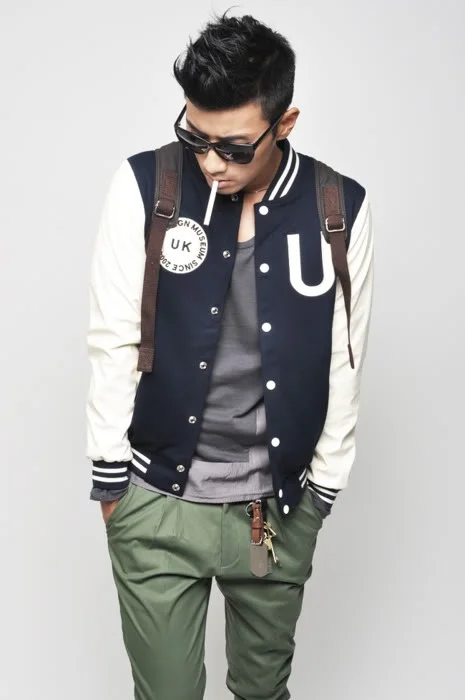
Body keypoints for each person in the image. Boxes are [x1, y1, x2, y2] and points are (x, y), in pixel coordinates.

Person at [85, 11, 374, 700]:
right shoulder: (146, 186)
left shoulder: (337, 207)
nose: (211, 162)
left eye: (235, 146)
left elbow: (345, 357)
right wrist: (113, 488)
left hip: (275, 511)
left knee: (263, 694)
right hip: (156, 499)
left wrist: (321, 490)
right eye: (196, 138)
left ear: (285, 123)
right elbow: (112, 339)